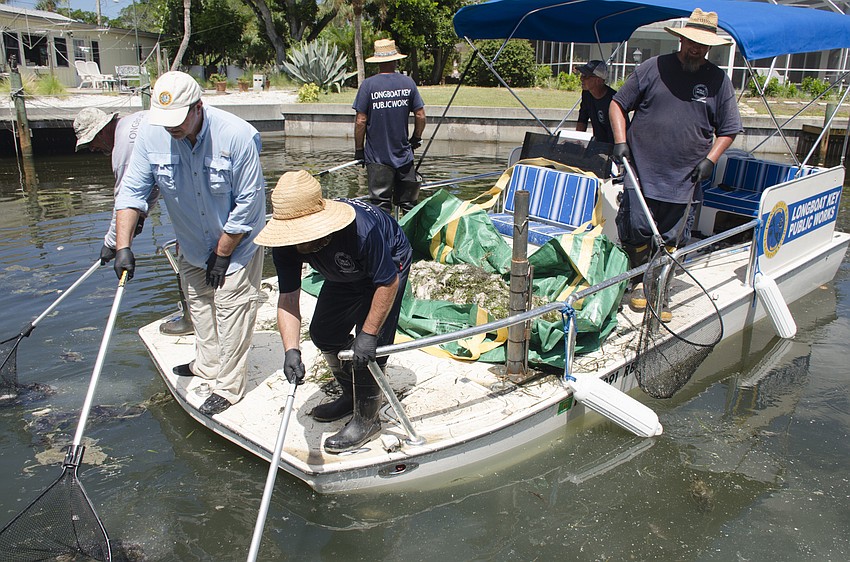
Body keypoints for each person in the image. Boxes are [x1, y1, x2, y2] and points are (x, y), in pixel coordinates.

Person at [113, 71, 267, 416]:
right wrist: (123, 246)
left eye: (179, 119)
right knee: (199, 307)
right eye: (166, 120)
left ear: (198, 107)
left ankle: (228, 387)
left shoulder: (237, 136)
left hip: (237, 243)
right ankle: (208, 365)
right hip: (192, 244)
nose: (172, 128)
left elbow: (249, 205)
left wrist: (222, 254)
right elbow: (132, 192)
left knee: (231, 310)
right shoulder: (152, 137)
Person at [254, 169, 412, 454]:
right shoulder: (286, 246)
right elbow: (288, 297)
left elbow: (387, 281)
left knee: (370, 348)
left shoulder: (363, 230)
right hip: (343, 272)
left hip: (388, 264)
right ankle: (351, 393)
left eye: (305, 236)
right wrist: (291, 350)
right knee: (324, 333)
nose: (300, 245)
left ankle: (367, 418)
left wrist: (368, 333)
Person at [609, 7, 742, 309]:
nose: (696, 49)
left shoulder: (718, 81)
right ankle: (636, 281)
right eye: (692, 42)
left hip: (685, 177)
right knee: (638, 228)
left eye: (703, 45)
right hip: (641, 170)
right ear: (681, 40)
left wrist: (711, 159)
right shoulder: (652, 68)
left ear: (709, 47)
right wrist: (620, 142)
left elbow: (730, 129)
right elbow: (617, 104)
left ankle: (659, 289)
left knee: (671, 238)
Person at [74, 108, 193, 337]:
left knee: (187, 250)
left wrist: (114, 244)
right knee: (189, 247)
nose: (94, 149)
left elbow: (126, 197)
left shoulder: (124, 148)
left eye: (92, 143)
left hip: (190, 188)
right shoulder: (134, 121)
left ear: (102, 131)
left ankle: (192, 319)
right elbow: (152, 183)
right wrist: (139, 218)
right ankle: (197, 316)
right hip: (192, 181)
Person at [353, 38, 426, 215]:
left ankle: (386, 242)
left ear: (378, 62)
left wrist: (359, 150)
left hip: (377, 159)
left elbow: (360, 121)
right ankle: (408, 241)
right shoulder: (408, 83)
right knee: (409, 205)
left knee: (380, 208)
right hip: (404, 156)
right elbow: (420, 115)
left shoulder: (368, 86)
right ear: (395, 60)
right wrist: (416, 138)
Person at [574, 60, 619, 144]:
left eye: (585, 76)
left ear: (598, 80)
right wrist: (578, 142)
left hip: (613, 146)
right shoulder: (586, 94)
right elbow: (582, 119)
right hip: (597, 146)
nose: (581, 78)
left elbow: (617, 133)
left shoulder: (614, 100)